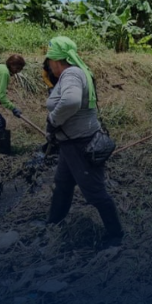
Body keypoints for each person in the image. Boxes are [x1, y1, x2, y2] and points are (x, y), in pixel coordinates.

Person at [44, 36, 123, 247]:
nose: (49, 65)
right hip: (70, 145)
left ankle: (116, 235)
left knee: (95, 193)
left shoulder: (71, 73)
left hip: (81, 145)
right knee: (62, 185)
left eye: (50, 60)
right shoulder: (78, 71)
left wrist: (53, 120)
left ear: (56, 60)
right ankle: (54, 222)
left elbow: (71, 101)